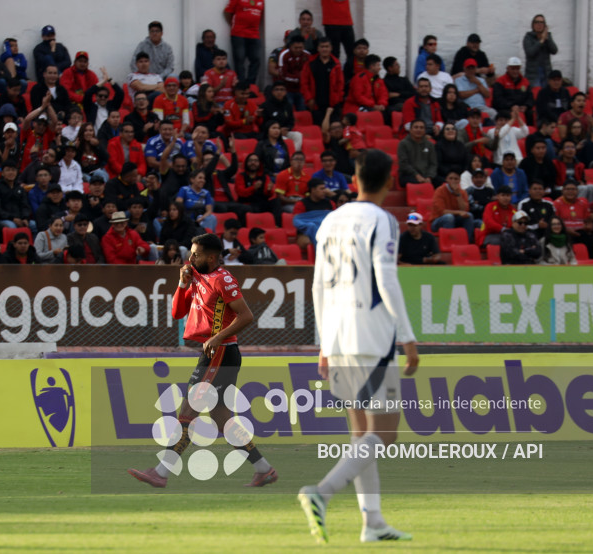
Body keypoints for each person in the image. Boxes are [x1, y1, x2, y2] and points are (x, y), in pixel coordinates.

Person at [299, 148, 418, 545]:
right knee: (384, 435)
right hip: (372, 335)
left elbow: (317, 285)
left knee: (361, 435)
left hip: (338, 335)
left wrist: (323, 344)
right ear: (390, 181)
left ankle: (373, 522)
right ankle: (321, 492)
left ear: (354, 179)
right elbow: (387, 278)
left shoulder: (331, 219)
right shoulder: (382, 219)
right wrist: (408, 337)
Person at [129, 232, 276, 487]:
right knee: (221, 419)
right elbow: (177, 312)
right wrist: (182, 284)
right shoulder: (197, 278)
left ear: (210, 257)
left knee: (187, 411)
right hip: (214, 352)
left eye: (195, 254)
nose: (190, 257)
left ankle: (161, 472)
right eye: (190, 252)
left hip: (221, 353)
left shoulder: (223, 279)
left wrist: (218, 337)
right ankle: (263, 469)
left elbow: (247, 316)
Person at [301, 38, 344, 126]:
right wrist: (309, 98)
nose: (324, 49)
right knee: (317, 128)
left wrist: (337, 98)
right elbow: (304, 82)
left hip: (332, 103)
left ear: (331, 48)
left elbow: (340, 83)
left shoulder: (336, 64)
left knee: (333, 129)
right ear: (318, 48)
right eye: (322, 47)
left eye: (327, 47)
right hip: (315, 103)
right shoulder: (311, 63)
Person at [553, 180, 593, 258]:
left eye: (573, 189)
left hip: (581, 232)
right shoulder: (557, 204)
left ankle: (592, 264)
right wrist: (566, 230)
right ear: (563, 191)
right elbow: (554, 223)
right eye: (568, 189)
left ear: (577, 191)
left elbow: (588, 220)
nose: (570, 191)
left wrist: (590, 225)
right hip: (565, 232)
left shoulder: (583, 203)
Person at [224, 0, 264, 85]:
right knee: (239, 59)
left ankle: (251, 84)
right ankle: (241, 84)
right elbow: (227, 12)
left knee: (256, 59)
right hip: (238, 34)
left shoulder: (261, 1)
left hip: (254, 34)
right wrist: (234, 25)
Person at [431, 169, 475, 242]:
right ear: (446, 179)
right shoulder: (440, 191)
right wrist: (458, 212)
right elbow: (442, 212)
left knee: (469, 216)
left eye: (456, 179)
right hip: (438, 221)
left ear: (459, 180)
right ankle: (449, 242)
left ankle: (466, 241)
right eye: (450, 178)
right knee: (449, 217)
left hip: (455, 219)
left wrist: (458, 195)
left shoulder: (462, 192)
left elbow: (464, 210)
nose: (453, 181)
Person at [492, 58, 533, 125]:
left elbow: (530, 97)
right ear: (508, 69)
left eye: (517, 69)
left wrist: (526, 106)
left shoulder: (525, 81)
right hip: (506, 109)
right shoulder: (500, 81)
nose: (515, 71)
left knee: (530, 113)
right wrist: (511, 106)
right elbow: (498, 100)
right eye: (513, 69)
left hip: (521, 108)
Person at [398, 119, 437, 187]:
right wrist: (417, 175)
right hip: (409, 175)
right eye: (416, 127)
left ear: (425, 130)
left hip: (426, 175)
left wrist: (429, 176)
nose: (419, 130)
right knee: (421, 184)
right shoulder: (403, 144)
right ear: (410, 130)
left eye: (421, 128)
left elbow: (433, 164)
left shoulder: (429, 145)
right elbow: (403, 164)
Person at [523, 14, 557, 88]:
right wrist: (541, 41)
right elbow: (530, 53)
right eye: (537, 22)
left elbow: (554, 51)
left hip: (546, 73)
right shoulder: (528, 37)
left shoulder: (547, 36)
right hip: (533, 74)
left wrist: (547, 39)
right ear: (533, 25)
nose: (539, 25)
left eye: (542, 22)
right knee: (535, 94)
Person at [278, 36, 311, 112]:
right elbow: (283, 74)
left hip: (302, 90)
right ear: (290, 47)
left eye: (301, 47)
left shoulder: (307, 55)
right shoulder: (284, 55)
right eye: (296, 48)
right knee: (288, 111)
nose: (298, 50)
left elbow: (309, 73)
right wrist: (299, 78)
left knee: (303, 111)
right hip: (287, 89)